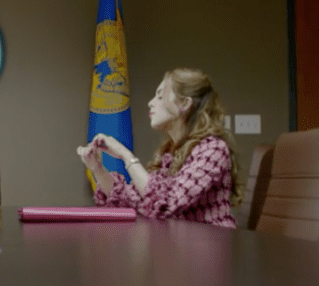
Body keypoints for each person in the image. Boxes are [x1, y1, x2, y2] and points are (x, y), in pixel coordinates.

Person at [77, 67, 241, 228]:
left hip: (209, 248)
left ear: (184, 103)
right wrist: (97, 168)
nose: (150, 103)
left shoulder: (214, 149)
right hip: (177, 245)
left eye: (160, 96)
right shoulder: (171, 154)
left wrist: (126, 155)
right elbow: (131, 201)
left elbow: (168, 203)